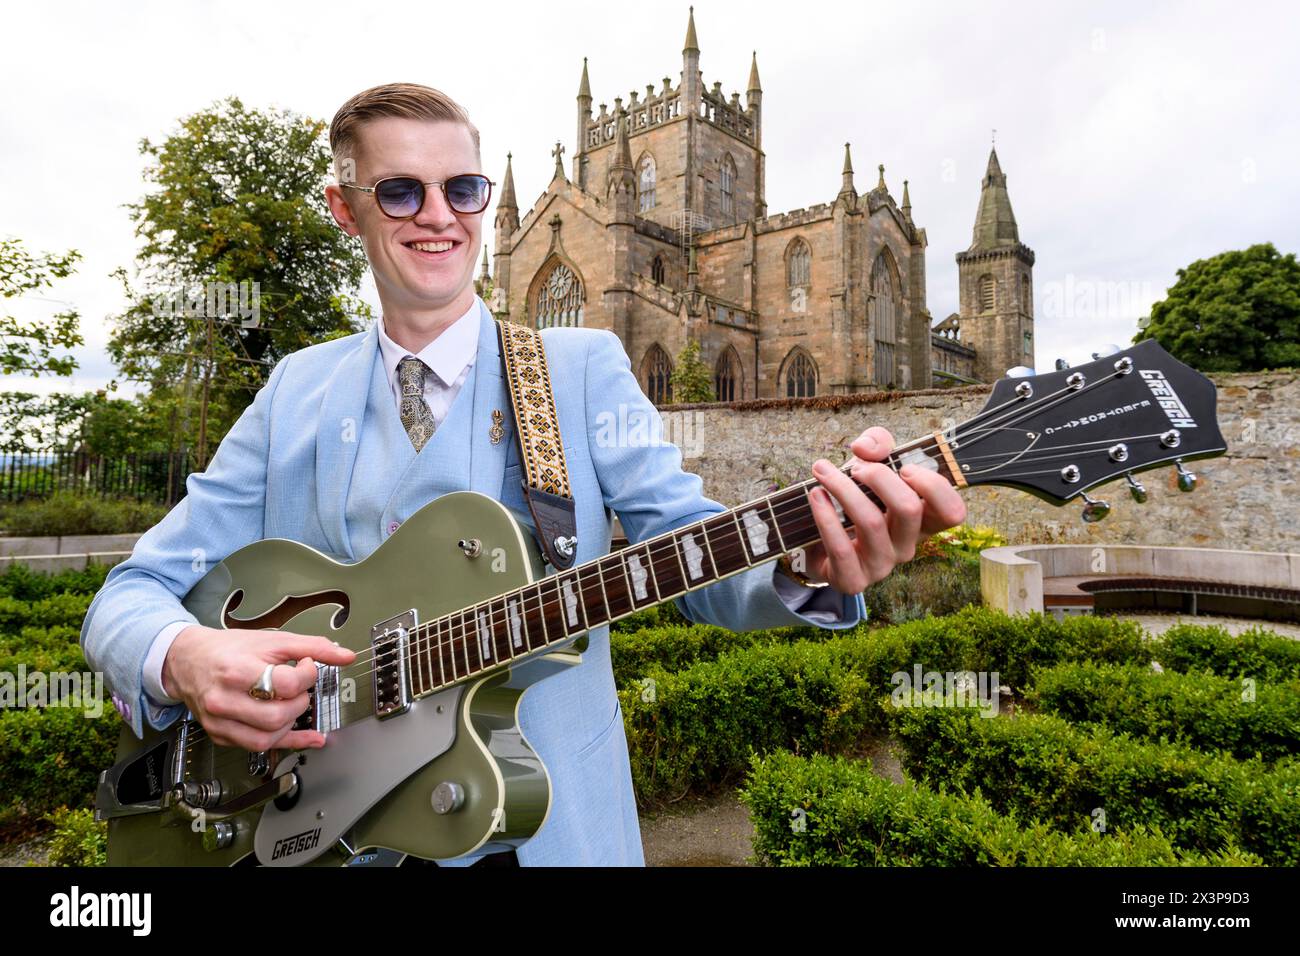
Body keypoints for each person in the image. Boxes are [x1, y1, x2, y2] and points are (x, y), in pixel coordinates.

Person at [80, 82, 967, 867]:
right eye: (400, 190)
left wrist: (803, 559)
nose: (439, 215)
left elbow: (687, 552)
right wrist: (184, 655)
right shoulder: (294, 393)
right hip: (312, 836)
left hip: (546, 834)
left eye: (463, 188)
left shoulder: (579, 370)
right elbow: (132, 592)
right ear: (345, 210)